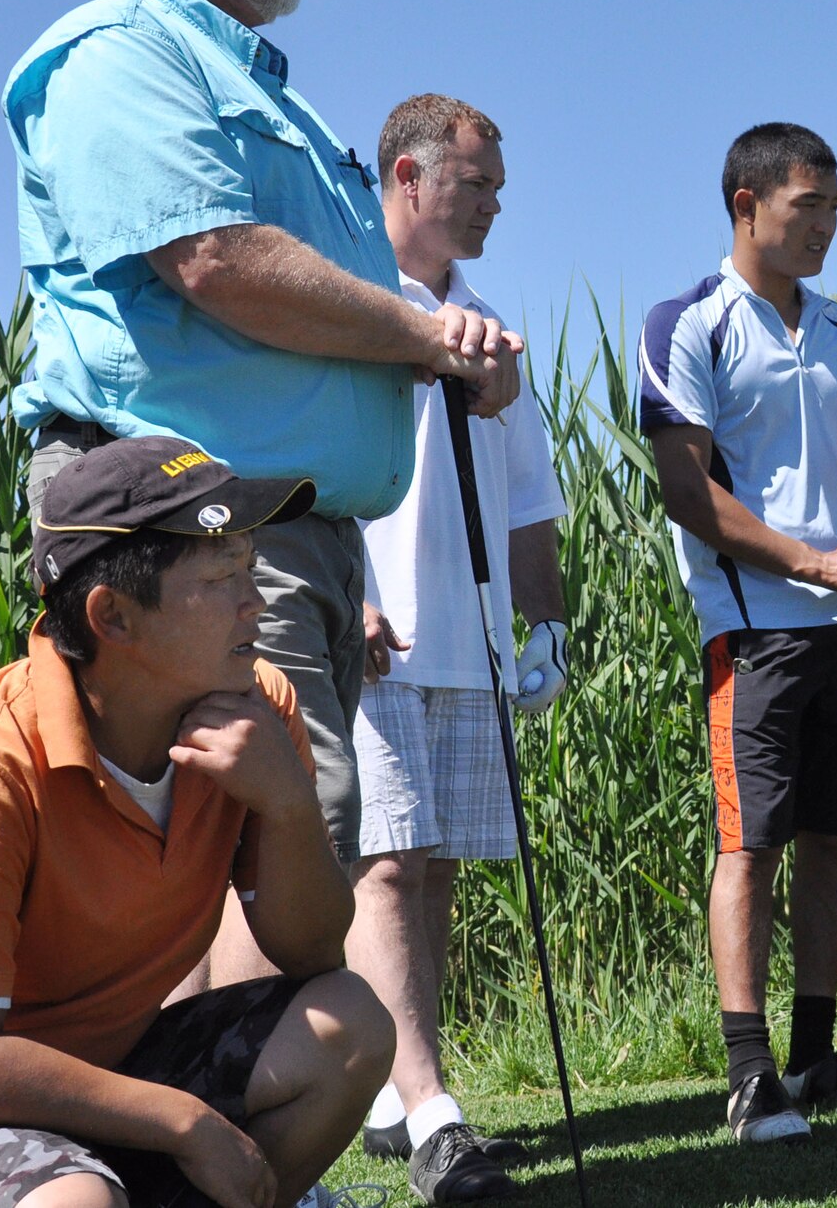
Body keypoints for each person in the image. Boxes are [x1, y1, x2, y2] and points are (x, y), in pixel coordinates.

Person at [1, 0, 523, 907]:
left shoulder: (258, 88)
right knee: (262, 846)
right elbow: (219, 264)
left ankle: (232, 1080)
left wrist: (449, 359)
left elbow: (323, 312)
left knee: (291, 843)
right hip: (194, 522)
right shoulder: (118, 58)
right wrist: (431, 338)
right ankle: (212, 1084)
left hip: (288, 533)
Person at [0, 436, 395, 1208]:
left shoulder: (256, 707)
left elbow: (311, 948)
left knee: (349, 1025)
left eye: (250, 566)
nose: (257, 600)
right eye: (221, 577)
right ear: (111, 615)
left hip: (89, 1071)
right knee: (72, 1199)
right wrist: (182, 1121)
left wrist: (286, 803)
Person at [637, 123, 837, 1143]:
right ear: (744, 203)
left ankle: (813, 1058)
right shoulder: (688, 322)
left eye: (834, 209)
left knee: (832, 844)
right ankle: (747, 1074)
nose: (824, 226)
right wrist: (814, 562)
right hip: (752, 626)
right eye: (806, 206)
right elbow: (684, 491)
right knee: (750, 843)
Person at [342, 96, 570, 1204]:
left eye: (494, 187)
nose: (490, 203)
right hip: (374, 625)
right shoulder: (347, 303)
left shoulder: (487, 319)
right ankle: (434, 1113)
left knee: (429, 868)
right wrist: (346, 590)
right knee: (382, 859)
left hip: (467, 631)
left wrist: (548, 621)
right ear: (405, 178)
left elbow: (530, 496)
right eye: (473, 183)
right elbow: (316, 458)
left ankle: (395, 1095)